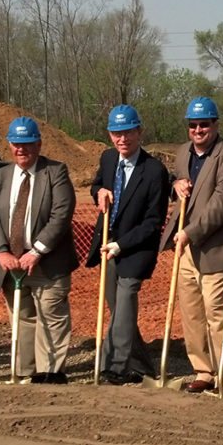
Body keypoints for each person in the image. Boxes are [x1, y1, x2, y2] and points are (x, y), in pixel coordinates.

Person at [159, 97, 223, 395]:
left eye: (204, 124)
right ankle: (203, 371)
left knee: (217, 313)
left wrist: (189, 233)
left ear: (215, 125)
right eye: (193, 125)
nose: (198, 129)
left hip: (216, 248)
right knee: (192, 313)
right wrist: (175, 184)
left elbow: (222, 205)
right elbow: (179, 184)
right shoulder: (183, 152)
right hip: (186, 249)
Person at [0, 117, 78, 384]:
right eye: (16, 144)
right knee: (22, 316)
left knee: (50, 311)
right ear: (9, 145)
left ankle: (51, 372)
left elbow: (61, 215)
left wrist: (36, 251)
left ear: (38, 143)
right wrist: (1, 252)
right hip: (12, 261)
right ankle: (26, 372)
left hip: (47, 260)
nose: (21, 149)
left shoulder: (55, 172)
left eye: (27, 143)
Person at [86, 105, 169, 385]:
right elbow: (96, 185)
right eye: (117, 134)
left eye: (128, 133)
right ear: (110, 135)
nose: (123, 139)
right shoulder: (109, 159)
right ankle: (144, 366)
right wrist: (100, 192)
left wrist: (120, 245)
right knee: (120, 313)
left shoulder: (155, 170)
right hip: (108, 247)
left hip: (136, 248)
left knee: (124, 303)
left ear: (139, 132)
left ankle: (114, 366)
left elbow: (153, 221)